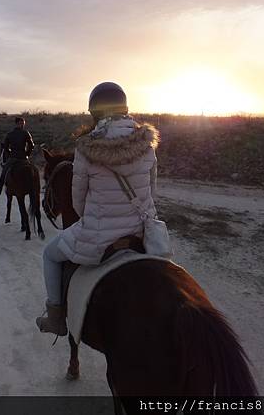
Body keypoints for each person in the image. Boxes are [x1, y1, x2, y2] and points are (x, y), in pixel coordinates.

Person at [36, 82, 159, 336]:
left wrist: (96, 218)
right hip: (140, 234)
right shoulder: (147, 144)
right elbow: (151, 191)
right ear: (125, 108)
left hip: (99, 237)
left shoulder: (85, 148)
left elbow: (78, 202)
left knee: (50, 255)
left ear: (95, 112)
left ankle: (57, 317)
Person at [0, 117, 35, 196]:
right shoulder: (26, 133)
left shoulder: (10, 134)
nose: (22, 125)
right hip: (23, 158)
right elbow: (31, 146)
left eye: (23, 123)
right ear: (17, 123)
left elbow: (5, 147)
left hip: (13, 158)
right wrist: (27, 155)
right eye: (21, 123)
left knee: (4, 172)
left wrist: (9, 154)